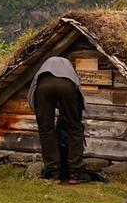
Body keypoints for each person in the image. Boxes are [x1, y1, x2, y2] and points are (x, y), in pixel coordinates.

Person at [29, 55, 86, 185]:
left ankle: (53, 172)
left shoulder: (43, 69)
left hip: (43, 87)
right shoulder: (70, 71)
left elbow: (32, 93)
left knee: (46, 130)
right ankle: (75, 173)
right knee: (75, 128)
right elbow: (78, 100)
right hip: (67, 86)